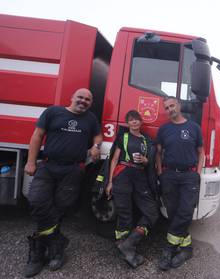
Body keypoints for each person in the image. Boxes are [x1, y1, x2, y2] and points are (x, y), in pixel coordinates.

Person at [23, 88, 102, 278]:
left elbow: (98, 137)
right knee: (36, 200)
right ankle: (55, 243)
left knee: (62, 207)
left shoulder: (90, 119)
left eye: (87, 99)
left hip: (73, 169)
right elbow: (37, 136)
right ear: (72, 98)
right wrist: (31, 161)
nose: (83, 101)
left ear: (90, 103)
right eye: (80, 97)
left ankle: (40, 250)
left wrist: (96, 146)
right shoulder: (53, 112)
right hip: (48, 166)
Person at [156, 96, 204, 270]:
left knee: (185, 212)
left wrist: (197, 174)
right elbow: (159, 153)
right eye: (167, 108)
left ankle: (168, 249)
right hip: (169, 175)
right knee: (174, 212)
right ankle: (186, 248)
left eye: (172, 106)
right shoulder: (164, 129)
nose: (170, 110)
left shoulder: (194, 128)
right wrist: (161, 173)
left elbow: (201, 152)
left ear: (179, 105)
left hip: (188, 177)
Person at [105, 110, 158, 268]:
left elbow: (149, 162)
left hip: (140, 175)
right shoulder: (123, 137)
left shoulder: (145, 140)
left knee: (152, 211)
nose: (134, 122)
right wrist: (110, 182)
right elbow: (114, 159)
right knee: (124, 212)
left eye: (136, 120)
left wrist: (145, 160)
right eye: (131, 120)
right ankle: (124, 246)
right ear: (127, 123)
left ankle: (129, 243)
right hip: (123, 174)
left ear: (141, 122)